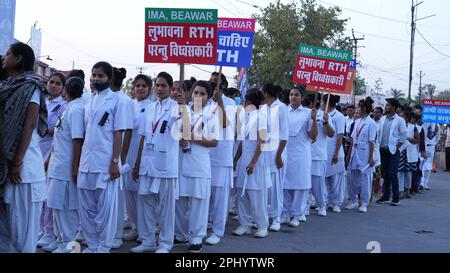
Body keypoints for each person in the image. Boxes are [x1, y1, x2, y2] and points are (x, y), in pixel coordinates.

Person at [0, 42, 49, 252]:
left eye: (8, 53)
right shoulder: (6, 87)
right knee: (4, 233)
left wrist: (17, 161)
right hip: (4, 168)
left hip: (24, 170)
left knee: (23, 234)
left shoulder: (31, 87)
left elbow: (28, 125)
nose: (4, 56)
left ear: (19, 58)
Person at [131, 72, 188, 253]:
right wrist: (137, 163)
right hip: (147, 162)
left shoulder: (176, 107)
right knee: (145, 203)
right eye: (157, 85)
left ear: (171, 88)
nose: (160, 88)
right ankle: (148, 240)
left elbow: (184, 131)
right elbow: (142, 137)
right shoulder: (150, 108)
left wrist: (183, 107)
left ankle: (165, 243)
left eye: (164, 85)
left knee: (166, 207)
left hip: (165, 163)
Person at [77, 61, 127, 253]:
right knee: (86, 209)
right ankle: (92, 244)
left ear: (109, 79)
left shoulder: (117, 101)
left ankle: (103, 247)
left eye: (100, 76)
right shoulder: (89, 100)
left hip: (106, 163)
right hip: (87, 161)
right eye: (94, 75)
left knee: (106, 210)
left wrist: (115, 161)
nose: (96, 79)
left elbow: (118, 133)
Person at [175, 81, 219, 253]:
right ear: (190, 93)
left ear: (208, 97)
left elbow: (214, 142)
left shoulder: (212, 115)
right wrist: (179, 138)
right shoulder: (181, 111)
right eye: (195, 92)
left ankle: (196, 238)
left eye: (202, 93)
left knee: (199, 202)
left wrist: (192, 136)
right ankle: (180, 234)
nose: (198, 96)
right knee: (180, 200)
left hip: (199, 164)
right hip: (180, 161)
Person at [46, 77, 85, 253]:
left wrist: (75, 167)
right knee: (55, 203)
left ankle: (69, 243)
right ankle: (60, 239)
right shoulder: (67, 107)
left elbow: (77, 140)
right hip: (57, 164)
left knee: (67, 207)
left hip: (67, 167)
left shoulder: (76, 109)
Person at [233, 88, 270, 238]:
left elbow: (261, 142)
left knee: (256, 194)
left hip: (256, 161)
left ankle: (262, 225)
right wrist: (236, 159)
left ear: (249, 101)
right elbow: (243, 141)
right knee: (242, 193)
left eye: (245, 100)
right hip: (244, 160)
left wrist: (253, 162)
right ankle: (244, 224)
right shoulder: (246, 116)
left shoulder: (261, 117)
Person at [206, 77, 237, 246]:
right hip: (205, 155)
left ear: (223, 85)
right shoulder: (204, 101)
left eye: (215, 81)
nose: (212, 83)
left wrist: (220, 102)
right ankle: (203, 226)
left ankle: (217, 230)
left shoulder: (230, 103)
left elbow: (225, 123)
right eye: (210, 81)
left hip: (222, 156)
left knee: (220, 197)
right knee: (205, 195)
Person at [38, 72, 67, 249]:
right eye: (51, 82)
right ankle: (41, 229)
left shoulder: (63, 107)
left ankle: (50, 232)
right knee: (38, 193)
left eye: (57, 83)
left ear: (63, 88)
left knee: (49, 195)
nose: (53, 86)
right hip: (36, 148)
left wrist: (42, 129)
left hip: (52, 150)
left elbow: (58, 133)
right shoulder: (42, 102)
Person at [122, 74, 153, 242]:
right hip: (126, 152)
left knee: (142, 194)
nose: (140, 89)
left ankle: (145, 229)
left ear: (149, 89)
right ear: (133, 88)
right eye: (137, 86)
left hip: (143, 152)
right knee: (129, 192)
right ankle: (134, 226)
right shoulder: (128, 105)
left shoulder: (152, 107)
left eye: (144, 86)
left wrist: (138, 162)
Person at [282, 88, 317, 226]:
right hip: (285, 152)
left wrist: (314, 120)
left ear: (302, 98)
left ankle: (297, 214)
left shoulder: (308, 113)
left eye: (296, 95)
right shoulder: (283, 111)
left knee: (300, 185)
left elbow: (313, 136)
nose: (293, 97)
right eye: (291, 94)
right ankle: (284, 213)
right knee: (284, 184)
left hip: (302, 153)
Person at [110, 67, 134, 249]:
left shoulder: (124, 100)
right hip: (103, 155)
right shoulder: (103, 97)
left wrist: (120, 157)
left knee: (116, 199)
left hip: (115, 156)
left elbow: (126, 131)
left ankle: (116, 234)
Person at [261, 83, 288, 232]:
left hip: (277, 152)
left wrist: (278, 155)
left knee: (276, 187)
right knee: (266, 186)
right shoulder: (264, 108)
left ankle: (276, 218)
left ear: (267, 93)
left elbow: (284, 134)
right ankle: (264, 216)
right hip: (265, 152)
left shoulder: (281, 107)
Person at [345, 98, 377, 213]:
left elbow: (371, 142)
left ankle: (364, 203)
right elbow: (353, 140)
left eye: (359, 108)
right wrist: (348, 155)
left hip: (365, 154)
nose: (357, 110)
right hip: (354, 152)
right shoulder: (357, 122)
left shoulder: (371, 123)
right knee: (351, 178)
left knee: (364, 179)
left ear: (364, 109)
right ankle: (353, 200)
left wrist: (370, 157)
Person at [305, 93, 334, 217]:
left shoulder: (324, 115)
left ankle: (322, 205)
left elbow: (332, 134)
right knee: (304, 183)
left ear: (313, 103)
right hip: (304, 155)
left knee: (318, 183)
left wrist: (326, 122)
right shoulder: (304, 114)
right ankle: (304, 206)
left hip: (318, 155)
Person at [376, 98, 406, 206]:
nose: (386, 107)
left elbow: (404, 134)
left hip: (393, 150)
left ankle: (396, 198)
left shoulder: (400, 120)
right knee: (385, 174)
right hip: (382, 149)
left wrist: (398, 146)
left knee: (392, 174)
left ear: (393, 107)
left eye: (388, 105)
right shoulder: (383, 119)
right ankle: (386, 196)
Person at [322, 94, 346, 213]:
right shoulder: (323, 115)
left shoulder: (339, 116)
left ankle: (336, 203)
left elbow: (340, 135)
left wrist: (336, 153)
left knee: (336, 179)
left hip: (335, 152)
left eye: (322, 102)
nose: (320, 104)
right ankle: (325, 201)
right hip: (325, 151)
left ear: (327, 103)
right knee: (325, 178)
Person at [397, 111, 419, 199]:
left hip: (409, 152)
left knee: (408, 172)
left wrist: (409, 139)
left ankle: (408, 190)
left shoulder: (413, 127)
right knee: (400, 172)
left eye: (403, 116)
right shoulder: (398, 126)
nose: (401, 118)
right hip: (400, 152)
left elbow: (417, 140)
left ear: (407, 117)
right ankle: (401, 191)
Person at [421, 122, 440, 190]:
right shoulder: (424, 123)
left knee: (428, 165)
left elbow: (438, 137)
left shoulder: (437, 126)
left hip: (431, 147)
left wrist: (433, 144)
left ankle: (426, 182)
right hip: (424, 146)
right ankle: (421, 182)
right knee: (422, 164)